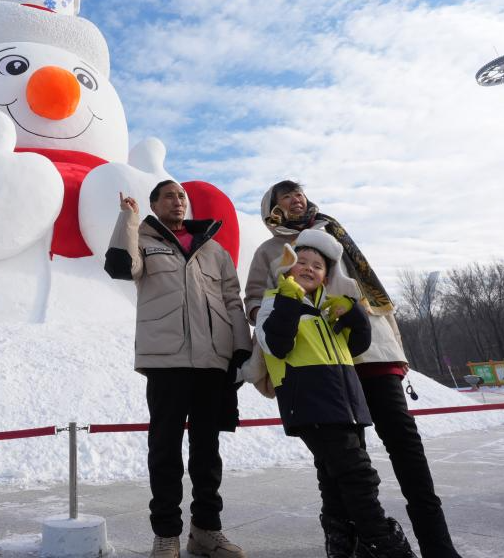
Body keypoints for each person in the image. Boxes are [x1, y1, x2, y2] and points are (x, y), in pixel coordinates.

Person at [244, 181, 461, 558]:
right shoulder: (269, 250)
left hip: (370, 349)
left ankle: (437, 545)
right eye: (286, 196)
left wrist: (388, 336)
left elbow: (367, 289)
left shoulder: (335, 233)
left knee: (405, 445)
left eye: (299, 193)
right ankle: (350, 541)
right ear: (272, 208)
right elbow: (255, 301)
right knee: (338, 463)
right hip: (314, 360)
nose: (297, 199)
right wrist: (280, 316)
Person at [240, 230, 415, 557]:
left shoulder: (329, 307)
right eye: (300, 262)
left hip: (346, 402)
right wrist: (289, 303)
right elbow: (276, 345)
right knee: (359, 475)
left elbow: (356, 346)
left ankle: (342, 545)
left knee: (334, 480)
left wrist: (355, 315)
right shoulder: (274, 302)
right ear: (287, 268)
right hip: (308, 401)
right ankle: (383, 544)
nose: (308, 268)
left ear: (326, 274)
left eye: (317, 265)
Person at [105, 180, 252, 558]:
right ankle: (166, 534)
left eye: (181, 196)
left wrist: (240, 350)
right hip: (166, 361)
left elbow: (232, 301)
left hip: (211, 363)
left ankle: (206, 531)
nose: (177, 201)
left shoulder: (215, 250)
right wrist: (128, 218)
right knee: (165, 450)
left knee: (207, 451)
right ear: (154, 204)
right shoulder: (143, 238)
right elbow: (120, 267)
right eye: (168, 196)